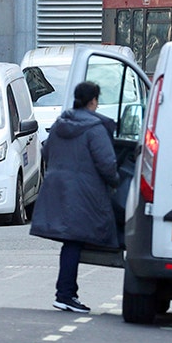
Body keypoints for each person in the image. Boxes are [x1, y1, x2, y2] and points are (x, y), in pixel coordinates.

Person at [29, 81, 120, 313]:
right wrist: (116, 183)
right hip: (84, 192)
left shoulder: (61, 123)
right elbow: (107, 163)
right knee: (74, 243)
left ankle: (67, 292)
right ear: (93, 101)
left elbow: (46, 151)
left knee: (72, 242)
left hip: (58, 189)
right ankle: (65, 294)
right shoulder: (94, 128)